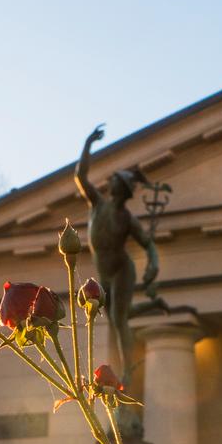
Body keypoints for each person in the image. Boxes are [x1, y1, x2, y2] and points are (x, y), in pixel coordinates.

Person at [73, 124, 167, 381]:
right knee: (118, 317)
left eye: (115, 180)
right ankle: (154, 305)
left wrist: (153, 264)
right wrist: (89, 143)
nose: (110, 181)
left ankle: (126, 373)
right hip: (104, 274)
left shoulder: (126, 218)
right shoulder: (97, 205)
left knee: (118, 318)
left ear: (121, 188)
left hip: (122, 270)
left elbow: (147, 244)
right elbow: (80, 176)